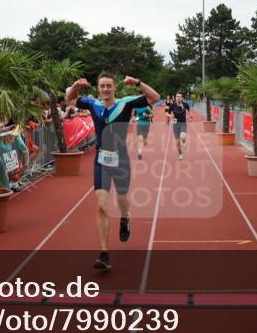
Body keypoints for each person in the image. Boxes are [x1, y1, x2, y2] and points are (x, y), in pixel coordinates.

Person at [65, 72, 159, 270]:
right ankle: (104, 254)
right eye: (102, 86)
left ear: (114, 87)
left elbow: (155, 98)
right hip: (101, 161)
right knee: (101, 205)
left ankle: (125, 219)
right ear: (99, 88)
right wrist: (75, 85)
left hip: (121, 160)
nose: (106, 89)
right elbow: (69, 98)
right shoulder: (93, 104)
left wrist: (138, 82)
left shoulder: (125, 103)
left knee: (123, 199)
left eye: (109, 85)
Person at [169, 92, 191, 160]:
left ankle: (184, 142)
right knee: (177, 142)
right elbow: (167, 113)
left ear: (182, 98)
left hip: (183, 123)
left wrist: (190, 115)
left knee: (182, 136)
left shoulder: (185, 104)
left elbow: (189, 110)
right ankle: (180, 154)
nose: (178, 97)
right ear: (176, 98)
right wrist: (170, 116)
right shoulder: (172, 105)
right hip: (175, 124)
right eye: (177, 96)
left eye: (180, 96)